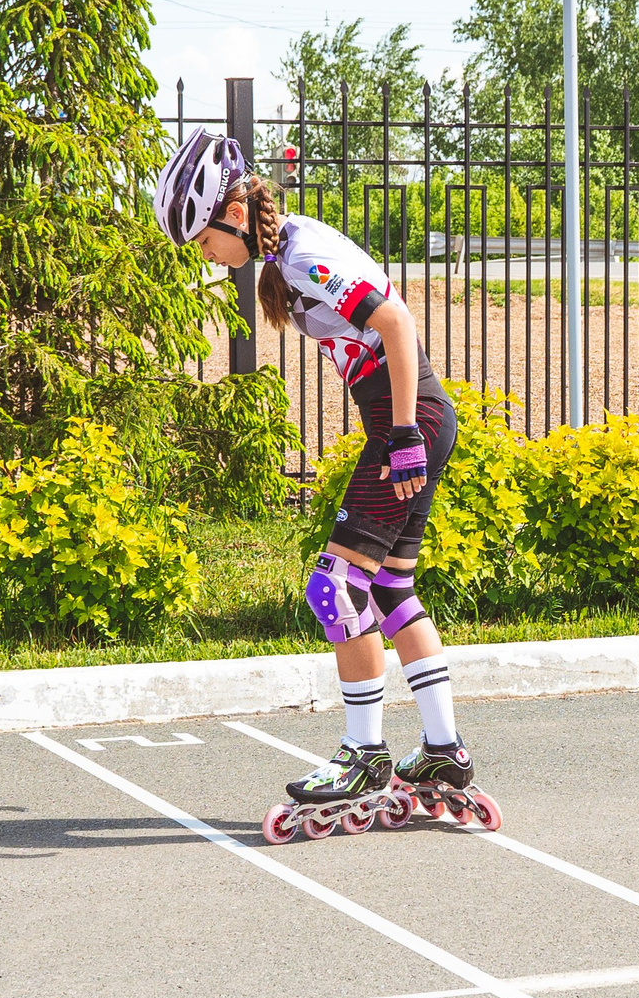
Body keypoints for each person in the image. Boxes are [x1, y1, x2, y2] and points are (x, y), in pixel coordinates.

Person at [155, 129, 486, 826]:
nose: (208, 258)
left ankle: (364, 752)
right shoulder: (285, 253)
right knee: (391, 588)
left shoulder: (301, 255)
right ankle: (443, 750)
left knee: (332, 586)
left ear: (234, 216)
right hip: (415, 416)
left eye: (206, 242)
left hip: (412, 418)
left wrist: (398, 436)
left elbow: (395, 321)